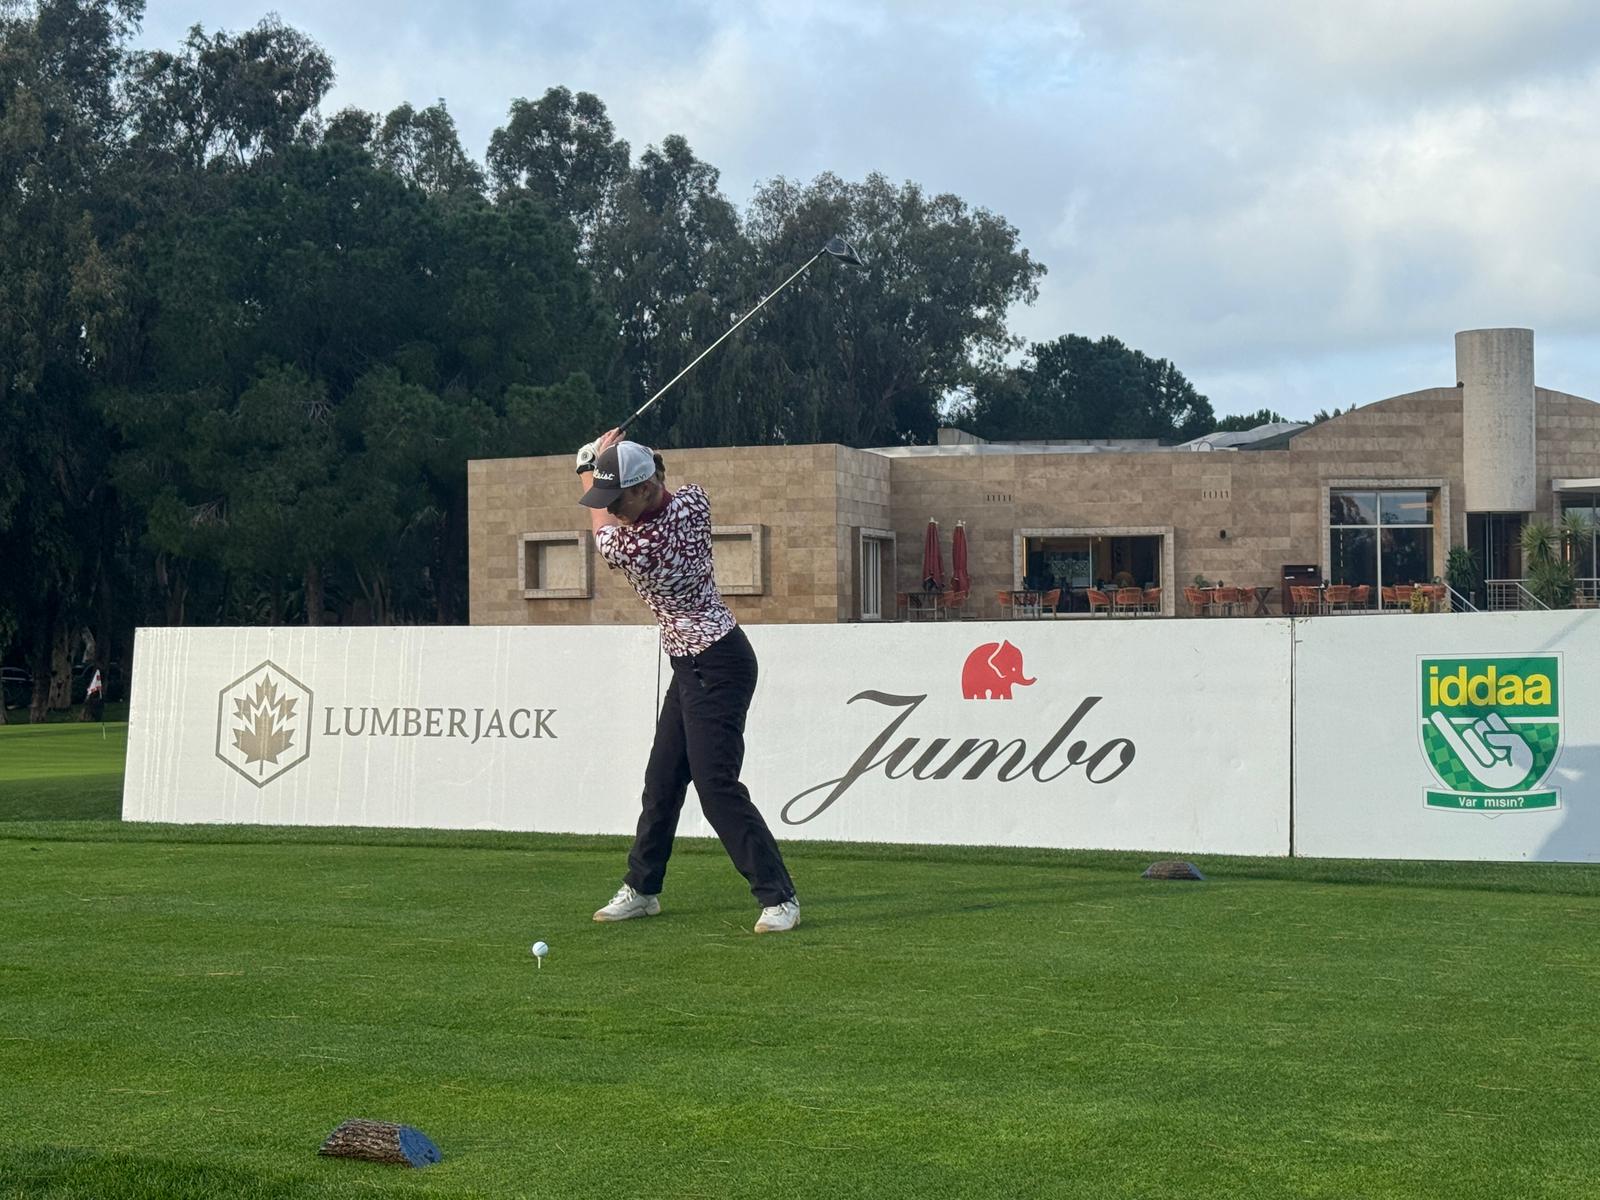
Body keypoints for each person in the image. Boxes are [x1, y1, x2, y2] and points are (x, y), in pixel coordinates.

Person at [574, 428, 800, 934]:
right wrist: (611, 463)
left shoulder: (637, 547)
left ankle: (779, 897)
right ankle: (643, 889)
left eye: (617, 499)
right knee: (662, 782)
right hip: (694, 661)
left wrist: (587, 463)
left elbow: (600, 531)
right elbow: (652, 484)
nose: (611, 509)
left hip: (716, 665)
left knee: (715, 785)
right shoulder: (694, 502)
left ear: (644, 488)